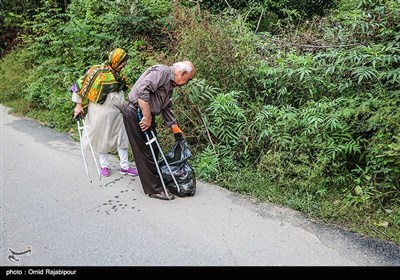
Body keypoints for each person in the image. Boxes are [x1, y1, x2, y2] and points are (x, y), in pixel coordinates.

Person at [123, 61, 196, 200]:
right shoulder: (162, 72)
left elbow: (166, 106)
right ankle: (154, 189)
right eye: (189, 79)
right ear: (183, 73)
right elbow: (142, 91)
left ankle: (157, 182)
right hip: (136, 113)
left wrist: (174, 126)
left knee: (153, 149)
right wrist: (147, 115)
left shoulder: (170, 84)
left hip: (145, 115)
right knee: (145, 152)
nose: (188, 83)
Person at [71, 48, 138, 177]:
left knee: (122, 138)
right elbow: (79, 86)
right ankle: (104, 166)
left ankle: (125, 166)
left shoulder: (119, 76)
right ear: (115, 60)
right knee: (102, 137)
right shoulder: (97, 72)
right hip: (100, 112)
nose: (124, 64)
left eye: (125, 62)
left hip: (118, 112)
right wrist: (78, 105)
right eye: (122, 62)